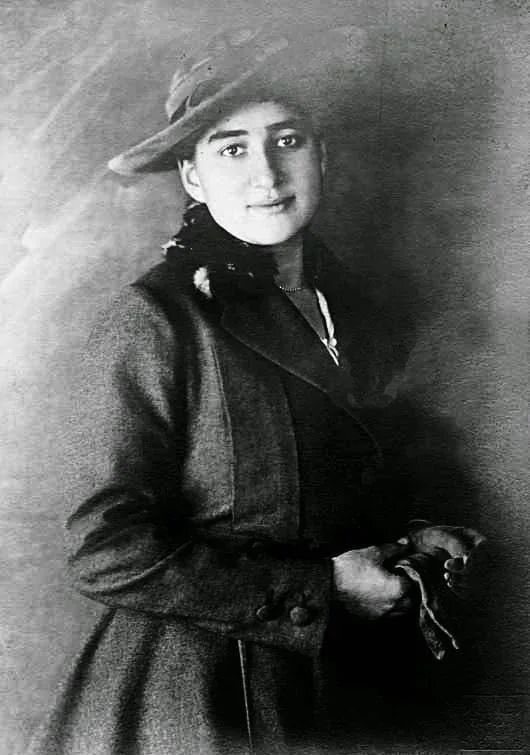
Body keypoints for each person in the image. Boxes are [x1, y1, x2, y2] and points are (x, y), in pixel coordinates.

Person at [28, 25, 481, 755]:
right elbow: (104, 546)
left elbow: (330, 483)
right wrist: (322, 588)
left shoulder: (360, 309)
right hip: (204, 695)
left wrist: (414, 537)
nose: (266, 175)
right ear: (192, 177)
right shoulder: (158, 317)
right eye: (231, 149)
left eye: (287, 141)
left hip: (347, 687)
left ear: (321, 155)